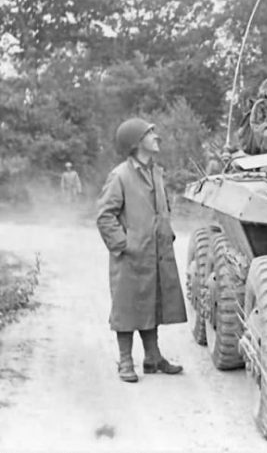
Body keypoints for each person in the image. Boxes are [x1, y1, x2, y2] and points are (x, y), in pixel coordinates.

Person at [96, 118, 187, 383]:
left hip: (156, 253)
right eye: (150, 133)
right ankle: (125, 361)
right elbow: (104, 216)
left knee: (152, 303)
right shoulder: (120, 175)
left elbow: (162, 207)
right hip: (130, 257)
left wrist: (166, 233)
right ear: (136, 143)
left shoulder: (156, 172)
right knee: (126, 307)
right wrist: (123, 244)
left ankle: (153, 357)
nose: (156, 136)